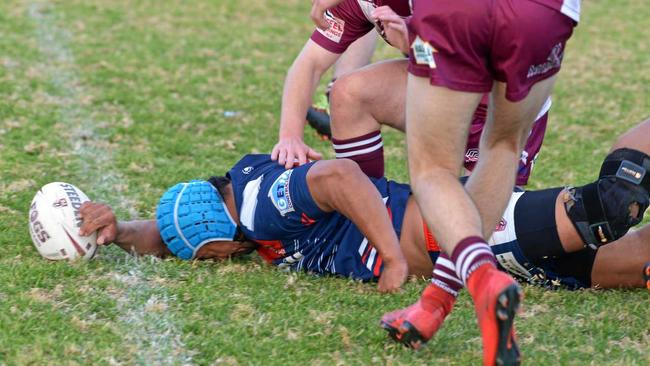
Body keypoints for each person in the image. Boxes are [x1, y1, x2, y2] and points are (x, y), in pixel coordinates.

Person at [78, 119, 650, 298]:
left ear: (223, 236)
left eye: (212, 255)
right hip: (472, 254)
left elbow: (338, 175)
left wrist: (389, 257)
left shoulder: (258, 212)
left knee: (605, 209)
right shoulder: (230, 197)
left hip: (452, 233)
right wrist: (120, 230)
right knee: (631, 266)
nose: (219, 262)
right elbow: (173, 232)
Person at [312, 0, 582, 363]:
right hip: (544, 11)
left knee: (433, 169)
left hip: (459, 10)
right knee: (502, 147)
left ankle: (484, 276)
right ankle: (438, 299)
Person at [274, 0, 550, 187]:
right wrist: (290, 137)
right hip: (443, 89)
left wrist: (411, 44)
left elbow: (465, 66)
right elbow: (309, 64)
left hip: (503, 102)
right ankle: (366, 202)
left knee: (469, 227)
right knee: (349, 92)